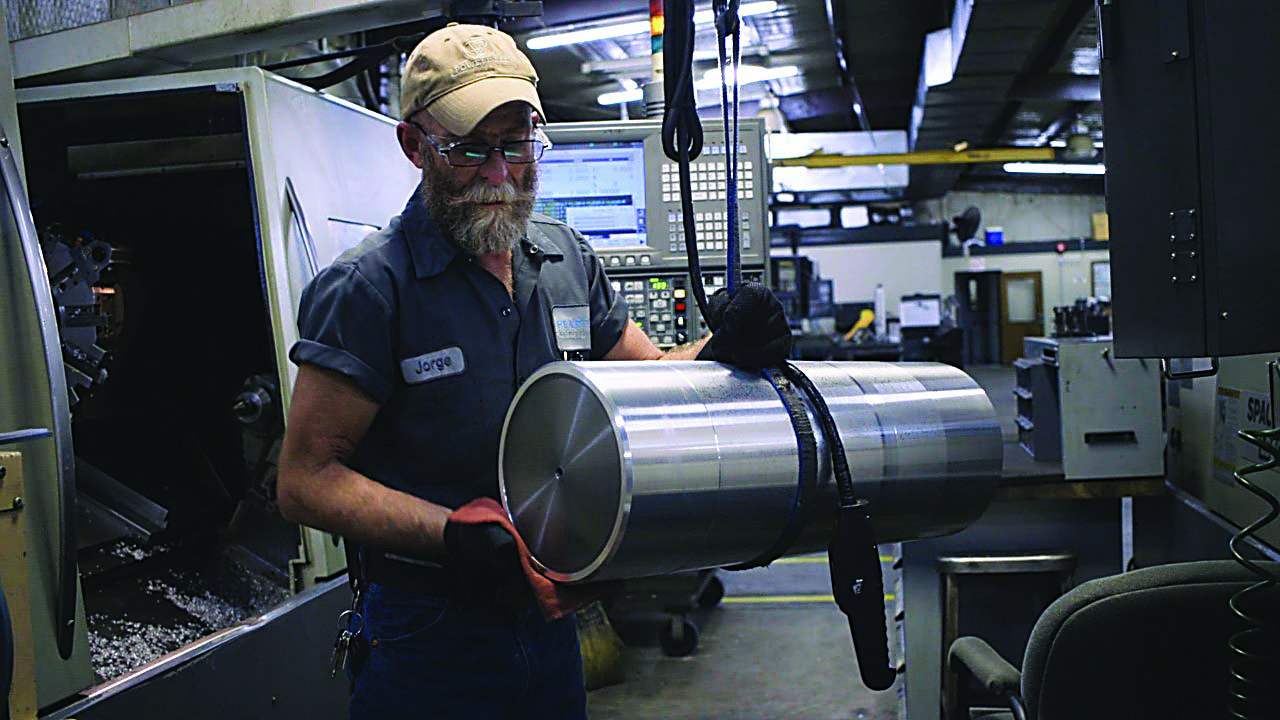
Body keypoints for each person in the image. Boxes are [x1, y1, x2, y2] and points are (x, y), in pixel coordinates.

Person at [277, 22, 790, 720]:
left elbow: (654, 383)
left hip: (552, 628)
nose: (499, 173)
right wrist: (453, 534)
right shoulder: (371, 289)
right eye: (469, 149)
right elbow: (306, 482)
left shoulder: (565, 260)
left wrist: (725, 348)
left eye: (517, 144)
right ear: (414, 145)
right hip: (428, 636)